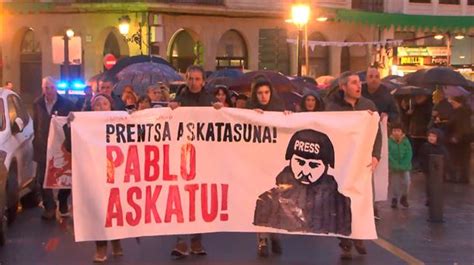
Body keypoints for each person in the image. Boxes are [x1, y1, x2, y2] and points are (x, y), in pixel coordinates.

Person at [325, 71, 382, 260]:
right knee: (342, 201)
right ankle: (345, 241)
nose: (359, 86)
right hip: (340, 161)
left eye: (360, 83)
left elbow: (377, 133)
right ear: (343, 87)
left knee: (361, 200)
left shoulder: (368, 105)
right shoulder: (333, 108)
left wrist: (375, 155)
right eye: (354, 83)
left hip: (362, 161)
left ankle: (359, 235)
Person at [168, 65, 222, 258]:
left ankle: (197, 241)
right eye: (190, 78)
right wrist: (172, 110)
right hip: (182, 156)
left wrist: (219, 112)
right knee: (180, 198)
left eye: (197, 79)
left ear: (203, 81)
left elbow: (222, 124)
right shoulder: (179, 101)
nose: (193, 82)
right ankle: (181, 241)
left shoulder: (210, 100)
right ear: (186, 79)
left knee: (198, 198)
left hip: (204, 157)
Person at [254, 129, 352, 235]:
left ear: (326, 167)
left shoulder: (340, 204)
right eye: (300, 162)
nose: (305, 171)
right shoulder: (267, 201)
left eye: (313, 165)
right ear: (290, 160)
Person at [246, 76, 286, 257]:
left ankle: (275, 234)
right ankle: (262, 238)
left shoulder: (279, 110)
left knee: (276, 201)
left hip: (275, 164)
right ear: (255, 94)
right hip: (256, 163)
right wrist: (249, 117)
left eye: (266, 92)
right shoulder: (248, 110)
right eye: (260, 93)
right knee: (261, 201)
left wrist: (288, 119)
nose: (263, 96)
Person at [33, 76, 75, 220]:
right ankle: (49, 207)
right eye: (46, 88)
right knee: (41, 179)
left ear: (55, 88)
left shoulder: (67, 104)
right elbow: (36, 124)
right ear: (42, 88)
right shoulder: (37, 103)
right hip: (43, 146)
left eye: (51, 87)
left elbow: (73, 124)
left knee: (64, 177)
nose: (49, 91)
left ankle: (63, 202)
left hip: (61, 147)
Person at [445, 96, 472, 183]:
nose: (452, 104)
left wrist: (456, 137)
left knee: (456, 158)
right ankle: (462, 178)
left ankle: (457, 177)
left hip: (459, 140)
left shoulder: (461, 112)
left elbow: (462, 126)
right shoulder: (464, 112)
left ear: (459, 103)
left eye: (453, 102)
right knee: (463, 159)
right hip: (464, 139)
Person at [418, 128, 448, 206]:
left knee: (437, 186)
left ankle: (436, 199)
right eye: (430, 136)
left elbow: (446, 159)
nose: (431, 138)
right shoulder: (425, 146)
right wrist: (423, 167)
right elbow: (421, 157)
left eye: (434, 136)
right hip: (428, 170)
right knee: (429, 186)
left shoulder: (442, 148)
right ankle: (429, 198)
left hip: (439, 171)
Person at [388, 123, 412, 208]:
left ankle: (404, 197)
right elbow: (388, 154)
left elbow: (409, 153)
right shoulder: (389, 141)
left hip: (405, 167)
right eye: (394, 130)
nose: (396, 133)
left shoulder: (406, 141)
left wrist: (405, 164)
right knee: (395, 184)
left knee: (407, 182)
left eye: (398, 131)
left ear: (402, 132)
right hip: (394, 167)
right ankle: (394, 198)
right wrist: (394, 164)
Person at [406, 95, 433, 169]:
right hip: (414, 132)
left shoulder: (428, 106)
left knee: (420, 150)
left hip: (422, 133)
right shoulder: (415, 106)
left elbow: (429, 118)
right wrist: (409, 113)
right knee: (413, 149)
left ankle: (419, 166)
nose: (417, 98)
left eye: (419, 97)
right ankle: (414, 165)